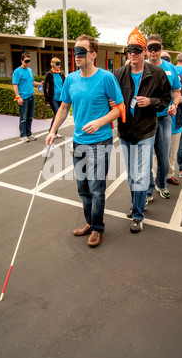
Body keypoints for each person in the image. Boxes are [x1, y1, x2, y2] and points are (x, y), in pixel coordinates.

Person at [45, 35, 125, 247]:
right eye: (75, 51)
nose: (77, 55)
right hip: (78, 142)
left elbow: (119, 108)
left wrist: (100, 122)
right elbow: (63, 108)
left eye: (82, 51)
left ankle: (98, 229)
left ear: (93, 54)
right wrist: (53, 130)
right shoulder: (70, 79)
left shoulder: (107, 77)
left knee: (97, 188)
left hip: (100, 142)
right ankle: (90, 223)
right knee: (83, 188)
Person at [113, 27, 172, 233]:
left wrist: (151, 101)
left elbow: (166, 99)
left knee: (139, 176)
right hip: (126, 132)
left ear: (145, 51)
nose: (133, 53)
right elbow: (112, 99)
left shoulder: (157, 73)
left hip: (146, 132)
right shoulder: (119, 73)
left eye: (137, 49)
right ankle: (137, 203)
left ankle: (138, 214)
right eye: (130, 50)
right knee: (131, 176)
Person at [145, 35, 181, 199]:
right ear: (146, 50)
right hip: (145, 119)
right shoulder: (140, 67)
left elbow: (177, 93)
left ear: (161, 48)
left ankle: (161, 184)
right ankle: (148, 190)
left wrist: (175, 104)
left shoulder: (170, 68)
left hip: (165, 119)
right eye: (150, 48)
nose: (153, 51)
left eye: (156, 48)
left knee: (164, 157)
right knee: (145, 158)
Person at [12, 52, 44, 142]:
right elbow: (15, 85)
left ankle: (29, 133)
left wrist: (40, 84)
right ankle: (22, 135)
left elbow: (32, 82)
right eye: (26, 61)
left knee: (30, 116)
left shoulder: (30, 70)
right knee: (23, 117)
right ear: (21, 60)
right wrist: (18, 97)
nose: (28, 63)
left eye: (29, 61)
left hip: (31, 96)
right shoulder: (17, 72)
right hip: (23, 97)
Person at [161, 51, 182, 186]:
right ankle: (157, 178)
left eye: (167, 59)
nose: (165, 62)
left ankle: (170, 174)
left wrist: (175, 104)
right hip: (157, 119)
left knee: (173, 150)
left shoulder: (175, 73)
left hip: (174, 121)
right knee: (158, 153)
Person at [43, 57, 65, 139]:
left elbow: (65, 84)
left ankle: (55, 131)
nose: (59, 66)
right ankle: (52, 131)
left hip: (61, 98)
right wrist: (46, 100)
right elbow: (45, 87)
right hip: (53, 98)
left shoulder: (61, 74)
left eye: (59, 64)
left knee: (59, 115)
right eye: (57, 64)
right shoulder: (49, 74)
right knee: (57, 114)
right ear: (53, 64)